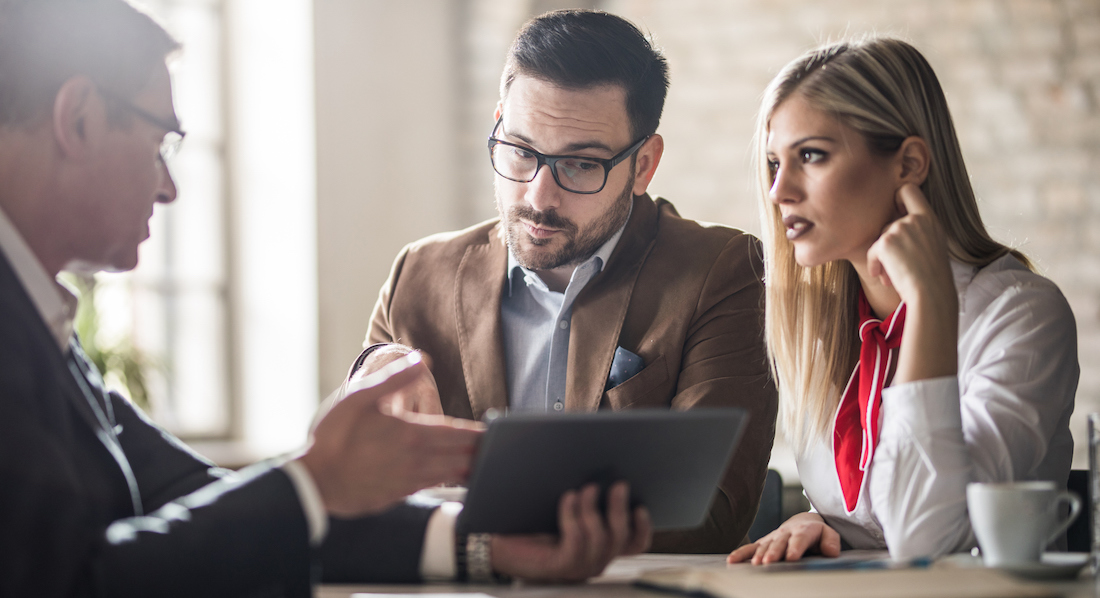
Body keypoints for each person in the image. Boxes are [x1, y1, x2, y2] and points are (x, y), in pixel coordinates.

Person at [0, 1, 650, 596]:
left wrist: (488, 548)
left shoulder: (37, 316)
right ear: (78, 119)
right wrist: (315, 480)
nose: (168, 186)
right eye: (157, 142)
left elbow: (194, 499)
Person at [359, 8, 777, 554]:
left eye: (580, 165)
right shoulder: (418, 273)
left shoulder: (724, 271)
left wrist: (485, 525)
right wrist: (365, 377)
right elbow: (361, 485)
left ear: (644, 165)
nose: (538, 196)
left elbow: (712, 509)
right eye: (520, 151)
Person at [727, 37, 1079, 564]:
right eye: (775, 163)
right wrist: (826, 523)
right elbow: (880, 517)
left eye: (812, 156)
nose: (779, 192)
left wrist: (930, 305)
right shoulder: (826, 327)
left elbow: (925, 536)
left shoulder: (1021, 315)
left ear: (909, 164)